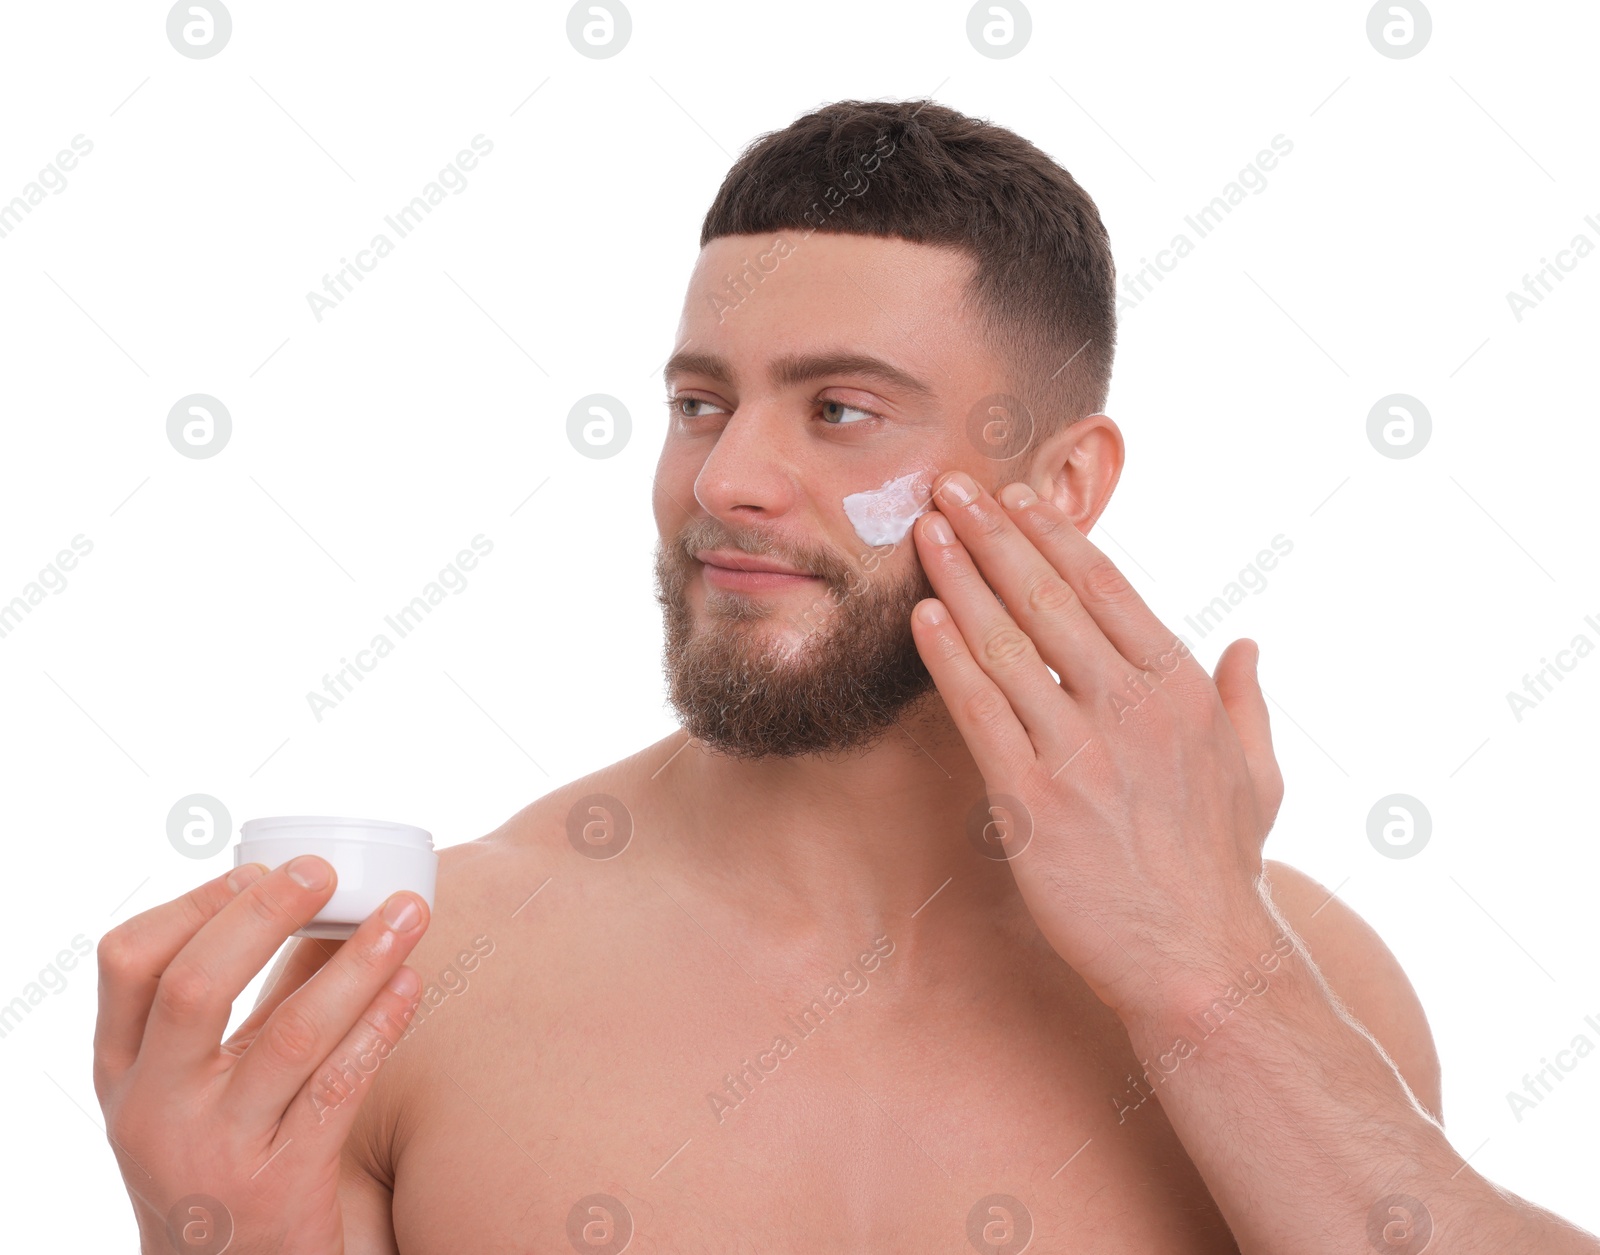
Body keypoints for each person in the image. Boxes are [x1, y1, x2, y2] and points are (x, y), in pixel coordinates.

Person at [94, 98, 1597, 1254]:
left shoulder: (1296, 979)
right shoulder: (430, 980)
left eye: (844, 410)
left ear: (1063, 485)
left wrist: (1209, 973)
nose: (728, 478)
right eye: (700, 402)